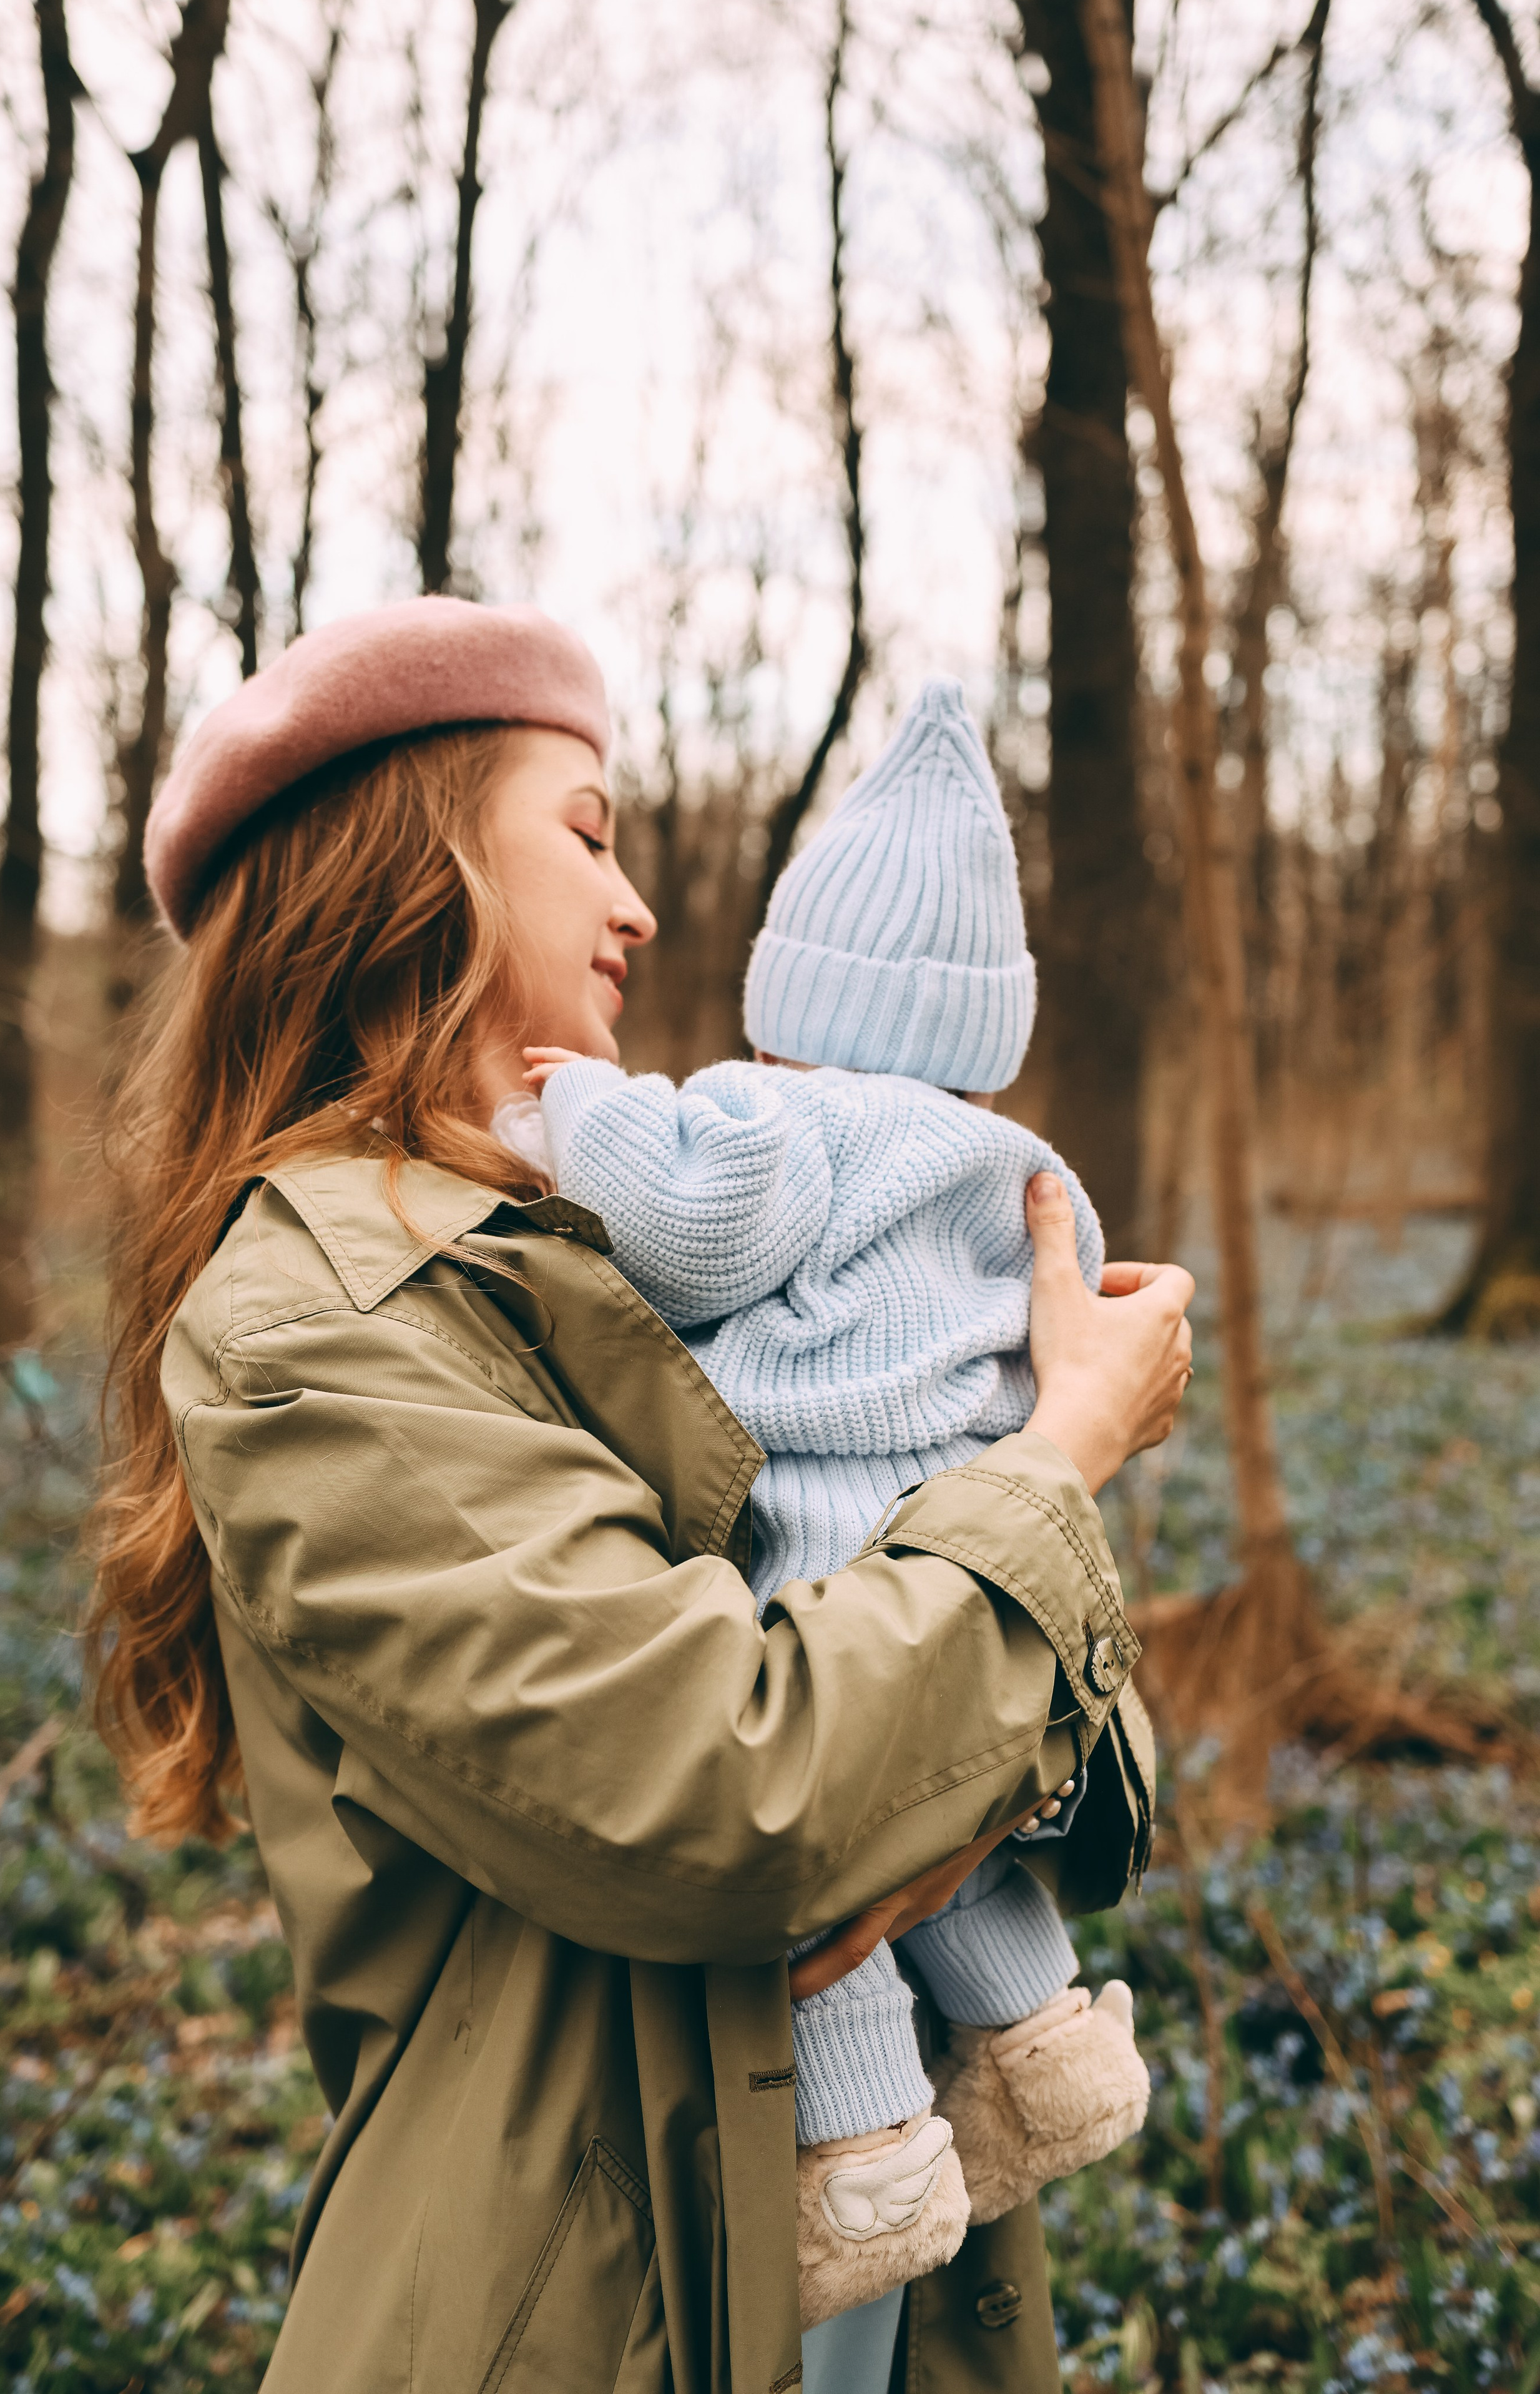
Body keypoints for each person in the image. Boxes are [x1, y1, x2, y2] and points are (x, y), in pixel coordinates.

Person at [89, 597, 1192, 2394]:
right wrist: (1059, 1460)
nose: (643, 904)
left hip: (872, 2276)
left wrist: (967, 1780)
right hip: (588, 2311)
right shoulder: (323, 1321)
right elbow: (738, 1796)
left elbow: (1053, 1751)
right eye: (586, 837)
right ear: (414, 873)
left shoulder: (616, 1259)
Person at [515, 679, 1152, 2340]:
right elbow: (1063, 1323)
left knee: (829, 1895)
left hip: (819, 1561)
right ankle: (1050, 2050)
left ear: (798, 988)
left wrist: (577, 1108)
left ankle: (867, 2164)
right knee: (960, 1851)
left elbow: (692, 1234)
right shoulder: (1025, 1166)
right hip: (984, 1561)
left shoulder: (774, 1117)